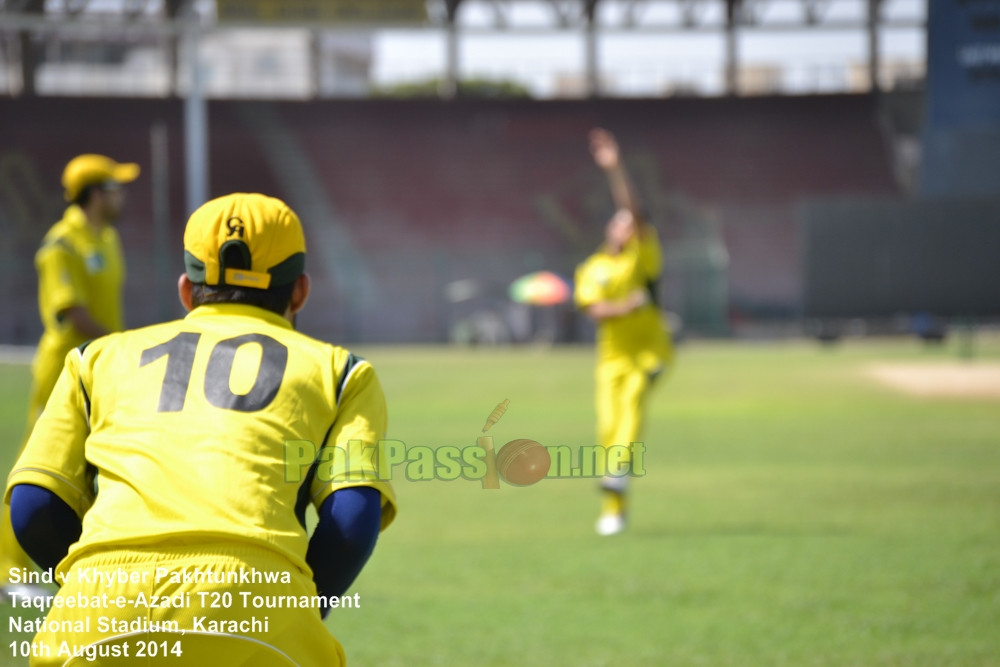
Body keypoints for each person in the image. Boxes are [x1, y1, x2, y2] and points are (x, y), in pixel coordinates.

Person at [4, 193, 397, 666]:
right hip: (260, 614)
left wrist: (93, 589)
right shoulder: (342, 372)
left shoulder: (95, 359)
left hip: (94, 617)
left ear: (186, 292)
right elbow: (352, 521)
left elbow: (33, 506)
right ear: (300, 292)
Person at [1, 154, 139, 597]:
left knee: (96, 466)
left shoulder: (108, 239)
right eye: (115, 187)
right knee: (34, 470)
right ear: (95, 194)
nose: (122, 195)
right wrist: (122, 342)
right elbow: (72, 311)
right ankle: (7, 571)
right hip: (64, 371)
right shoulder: (60, 245)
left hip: (104, 368)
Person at [574, 129, 673, 536]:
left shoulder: (642, 254)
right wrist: (624, 306)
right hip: (610, 358)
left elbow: (632, 206)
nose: (627, 225)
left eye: (632, 222)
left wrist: (615, 168)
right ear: (609, 229)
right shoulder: (593, 267)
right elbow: (594, 309)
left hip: (649, 351)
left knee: (632, 405)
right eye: (621, 222)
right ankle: (615, 508)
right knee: (607, 429)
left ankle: (616, 475)